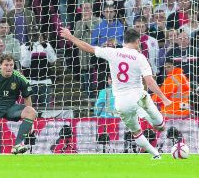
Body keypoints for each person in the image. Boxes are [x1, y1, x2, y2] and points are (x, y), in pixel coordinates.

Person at [60, 27, 172, 159]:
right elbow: (150, 82)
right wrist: (164, 98)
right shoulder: (140, 57)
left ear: (124, 40)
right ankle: (151, 115)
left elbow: (88, 47)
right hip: (137, 95)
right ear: (137, 42)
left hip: (121, 101)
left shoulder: (112, 52)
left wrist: (70, 37)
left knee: (136, 132)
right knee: (160, 126)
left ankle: (155, 155)